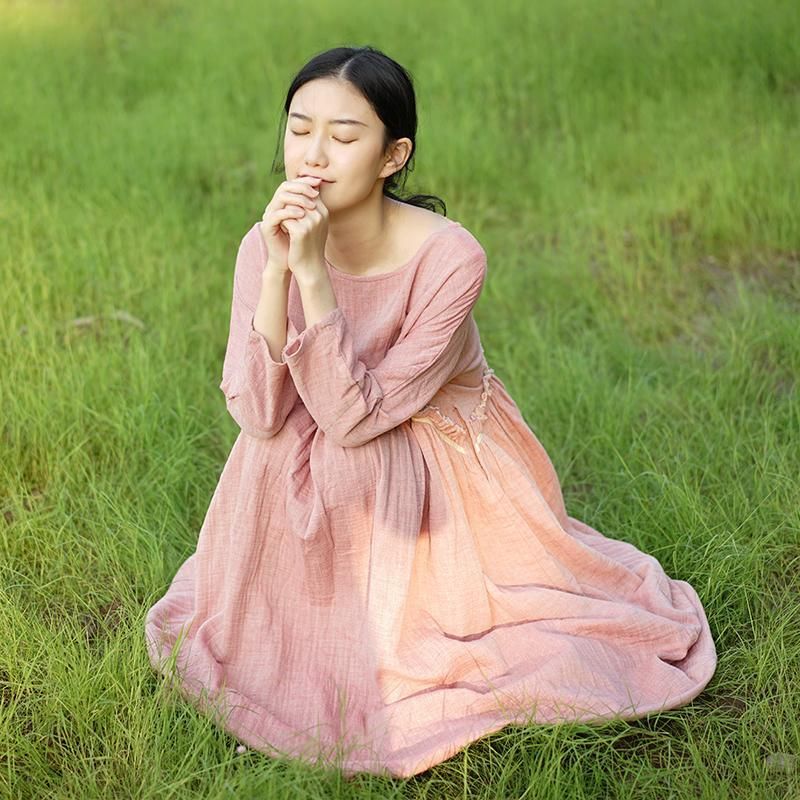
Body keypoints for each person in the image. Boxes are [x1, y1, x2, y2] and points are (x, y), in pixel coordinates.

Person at [144, 45, 717, 780]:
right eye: (299, 129)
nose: (313, 155)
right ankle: (303, 625)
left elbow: (359, 418)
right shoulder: (265, 241)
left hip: (433, 456)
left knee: (349, 456)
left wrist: (315, 278)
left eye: (344, 137)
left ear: (393, 154)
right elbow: (256, 411)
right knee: (277, 446)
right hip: (332, 432)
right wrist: (279, 268)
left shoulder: (451, 259)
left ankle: (376, 630)